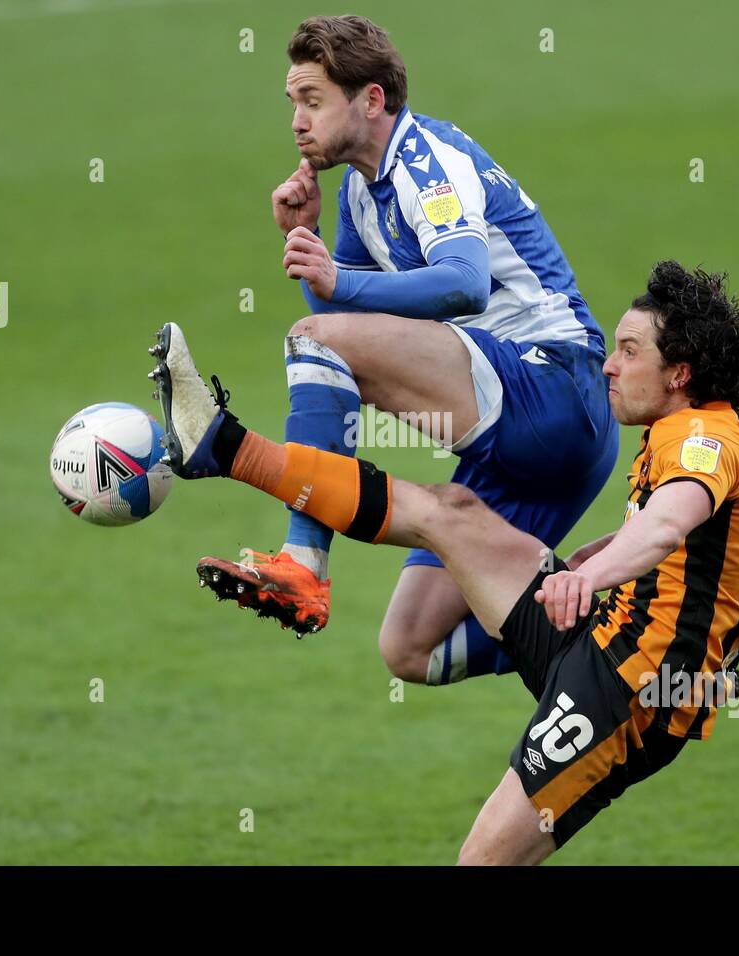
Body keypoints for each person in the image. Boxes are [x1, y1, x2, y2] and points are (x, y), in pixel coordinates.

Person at [148, 260, 739, 863]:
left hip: (628, 691)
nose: (609, 366)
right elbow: (687, 544)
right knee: (447, 511)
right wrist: (599, 554)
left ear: (680, 374)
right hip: (598, 633)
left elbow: (670, 524)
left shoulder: (704, 440)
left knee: (483, 862)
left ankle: (226, 452)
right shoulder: (701, 430)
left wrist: (585, 575)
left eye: (630, 352)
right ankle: (225, 448)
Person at [194, 14, 618, 689]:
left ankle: (304, 562)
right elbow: (348, 325)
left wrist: (335, 279)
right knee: (410, 649)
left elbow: (465, 282)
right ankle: (607, 627)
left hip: (555, 389)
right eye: (293, 104)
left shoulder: (428, 162)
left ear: (370, 100)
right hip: (510, 439)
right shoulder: (362, 190)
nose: (298, 122)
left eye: (313, 101)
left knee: (312, 343)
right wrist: (314, 246)